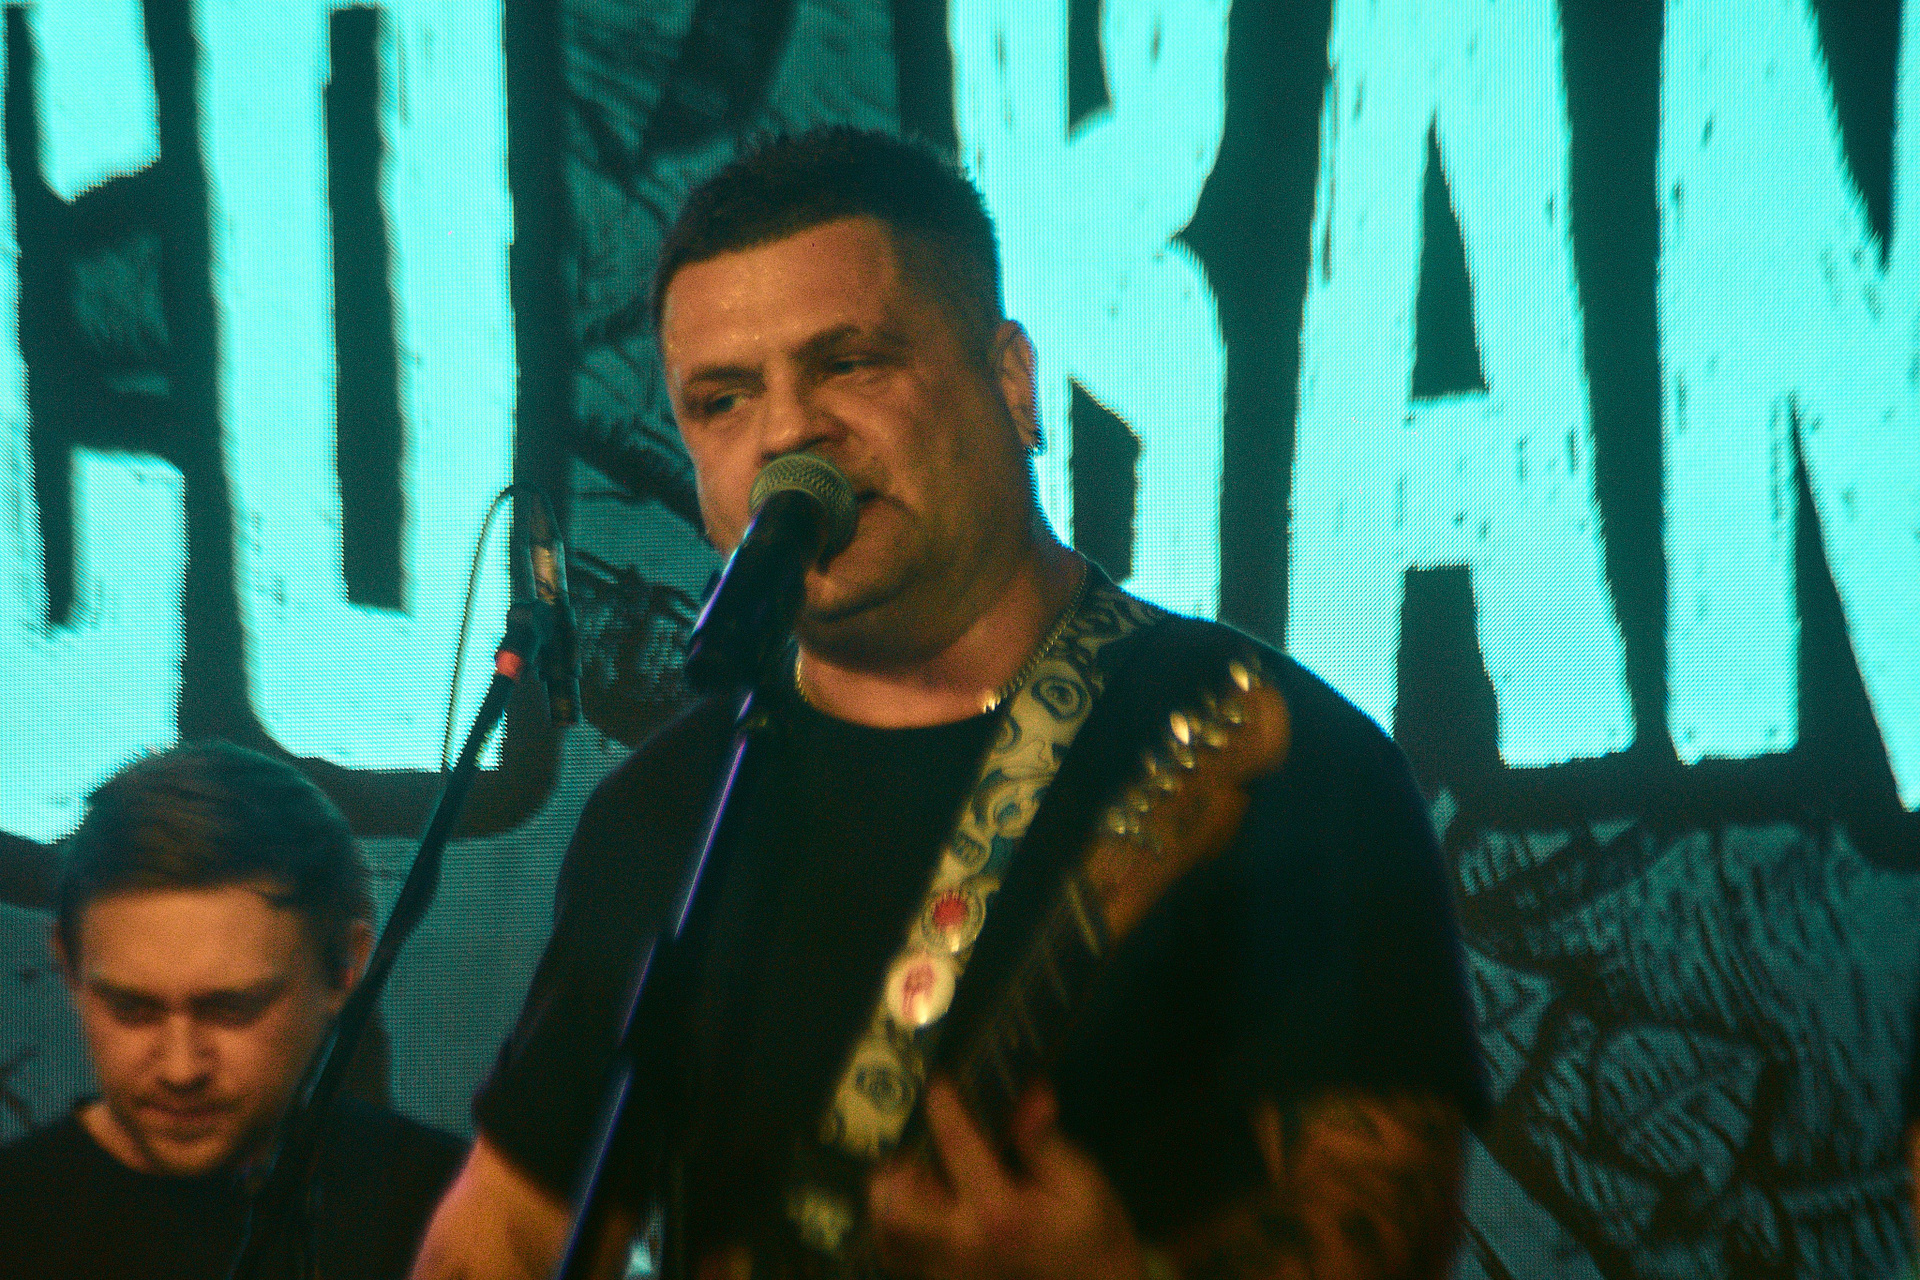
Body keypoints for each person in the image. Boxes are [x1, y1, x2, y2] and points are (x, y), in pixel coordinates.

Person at [412, 127, 1485, 1280]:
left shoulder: (1280, 753)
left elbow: (1384, 1230)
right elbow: (506, 1227)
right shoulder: (667, 808)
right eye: (723, 399)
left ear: (1012, 381)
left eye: (850, 362)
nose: (787, 432)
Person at [0, 741, 467, 1279]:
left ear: (345, 969)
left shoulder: (457, 1217)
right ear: (67, 966)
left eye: (233, 1009)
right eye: (131, 1009)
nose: (181, 1069)